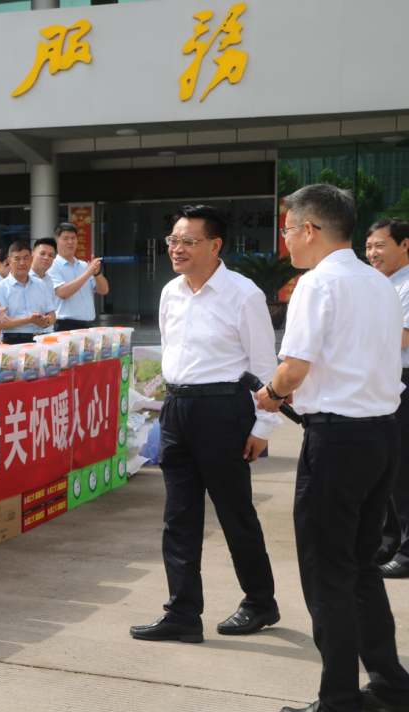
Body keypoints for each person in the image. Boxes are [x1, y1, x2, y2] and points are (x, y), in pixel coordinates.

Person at [256, 185, 409, 712]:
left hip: (339, 442)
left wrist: (272, 393)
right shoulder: (378, 283)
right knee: (360, 566)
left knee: (328, 573)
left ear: (310, 229)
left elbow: (294, 367)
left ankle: (339, 698)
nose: (285, 240)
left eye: (287, 229)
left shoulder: (317, 283)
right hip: (381, 435)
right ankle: (390, 685)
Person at [129, 205, 281, 647]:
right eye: (173, 240)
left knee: (235, 512)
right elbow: (170, 349)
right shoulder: (170, 292)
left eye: (188, 241)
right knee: (178, 517)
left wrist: (263, 427)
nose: (176, 248)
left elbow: (264, 366)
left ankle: (260, 601)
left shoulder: (243, 294)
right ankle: (182, 613)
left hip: (223, 410)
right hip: (177, 408)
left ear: (215, 245)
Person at [367, 217, 409, 578]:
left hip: (404, 380)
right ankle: (389, 542)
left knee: (404, 469)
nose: (372, 253)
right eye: (368, 246)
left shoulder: (407, 286)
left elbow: (400, 339)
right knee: (389, 469)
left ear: (405, 245)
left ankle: (407, 552)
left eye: (380, 245)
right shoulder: (380, 285)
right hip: (386, 381)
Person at [0, 241, 56, 345]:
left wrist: (45, 321)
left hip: (40, 340)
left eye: (25, 258)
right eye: (17, 259)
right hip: (13, 342)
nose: (22, 263)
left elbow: (52, 314)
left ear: (31, 259)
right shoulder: (0, 288)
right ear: (9, 261)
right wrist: (29, 320)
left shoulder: (41, 284)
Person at [49, 222, 108, 331]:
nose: (70, 242)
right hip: (65, 326)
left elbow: (104, 290)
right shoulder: (53, 266)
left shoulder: (84, 265)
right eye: (65, 238)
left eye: (73, 238)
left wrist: (96, 273)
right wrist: (87, 273)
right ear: (56, 242)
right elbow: (63, 293)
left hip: (88, 326)